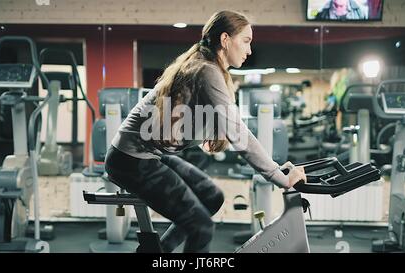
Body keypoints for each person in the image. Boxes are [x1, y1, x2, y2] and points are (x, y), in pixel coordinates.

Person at [104, 10, 307, 253]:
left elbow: (211, 123)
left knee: (212, 198)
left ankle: (156, 254)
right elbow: (238, 133)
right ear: (225, 40)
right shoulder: (206, 70)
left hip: (145, 156)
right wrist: (279, 177)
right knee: (200, 226)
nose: (249, 50)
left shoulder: (206, 66)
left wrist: (275, 168)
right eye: (246, 41)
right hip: (130, 160)